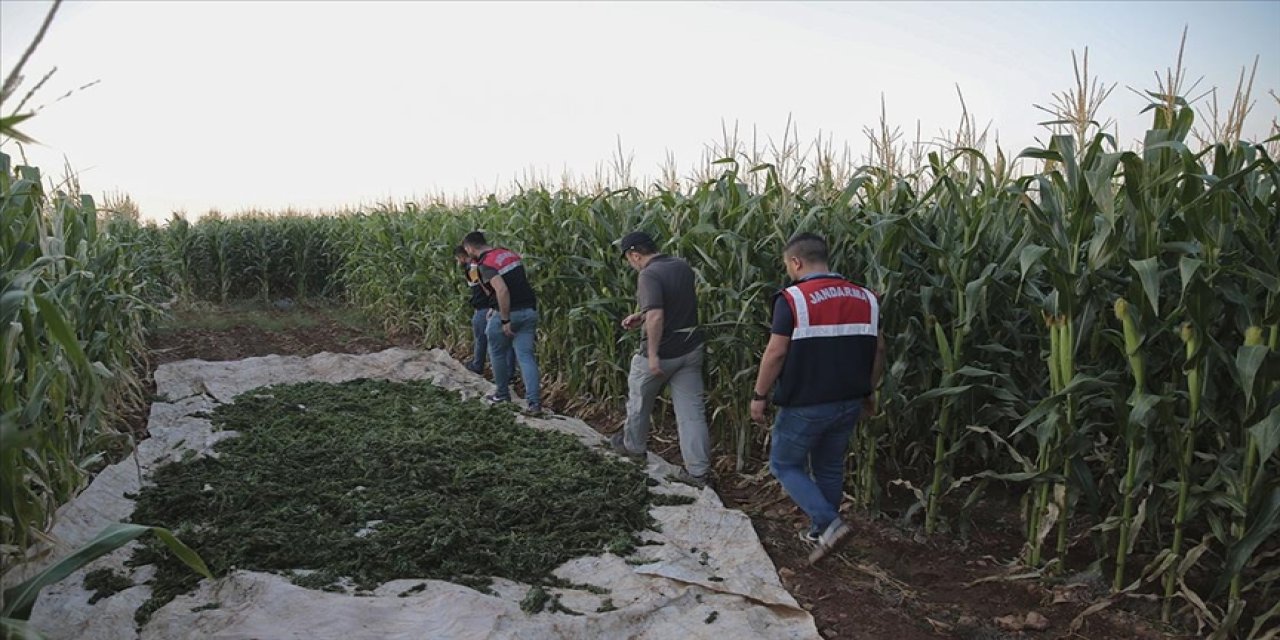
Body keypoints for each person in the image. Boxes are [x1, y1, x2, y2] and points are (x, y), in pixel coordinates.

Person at [748, 232, 886, 565]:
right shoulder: (867, 297)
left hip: (807, 404)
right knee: (829, 465)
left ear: (796, 262)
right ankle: (819, 532)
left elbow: (776, 352)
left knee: (784, 463)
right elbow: (879, 349)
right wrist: (869, 391)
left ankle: (829, 523)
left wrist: (759, 395)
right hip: (849, 399)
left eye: (788, 265)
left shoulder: (793, 298)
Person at [609, 231, 713, 488]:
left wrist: (653, 354)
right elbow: (674, 305)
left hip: (661, 354)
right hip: (690, 351)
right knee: (692, 413)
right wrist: (640, 316)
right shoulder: (681, 266)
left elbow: (657, 315)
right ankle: (698, 473)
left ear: (635, 255)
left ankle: (633, 448)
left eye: (629, 260)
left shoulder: (649, 274)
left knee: (639, 402)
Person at [462, 231, 543, 416]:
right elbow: (517, 282)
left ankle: (502, 394)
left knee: (497, 352)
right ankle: (534, 403)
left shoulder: (485, 264)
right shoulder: (508, 253)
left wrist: (505, 319)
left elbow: (502, 290)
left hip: (508, 313)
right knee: (526, 357)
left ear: (470, 248)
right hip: (529, 311)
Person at [454, 245, 492, 375]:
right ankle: (509, 372)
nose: (457, 262)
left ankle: (478, 365)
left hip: (484, 307)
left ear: (462, 257)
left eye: (458, 259)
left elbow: (482, 287)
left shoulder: (473, 268)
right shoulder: (481, 265)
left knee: (482, 338)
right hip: (491, 306)